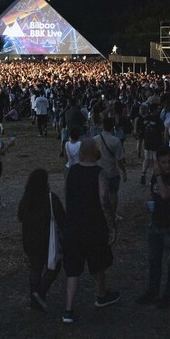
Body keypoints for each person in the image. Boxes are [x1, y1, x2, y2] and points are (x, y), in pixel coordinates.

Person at [61, 139, 120, 324]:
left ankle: (68, 309)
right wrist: (111, 226)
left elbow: (67, 196)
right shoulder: (99, 173)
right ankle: (101, 295)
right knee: (98, 263)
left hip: (73, 227)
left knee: (73, 270)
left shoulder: (71, 172)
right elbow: (104, 200)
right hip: (94, 226)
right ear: (96, 152)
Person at [136, 147, 170, 309]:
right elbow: (154, 193)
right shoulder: (155, 177)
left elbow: (165, 194)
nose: (166, 165)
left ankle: (168, 295)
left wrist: (158, 175)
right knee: (154, 260)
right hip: (156, 224)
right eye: (163, 162)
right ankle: (153, 291)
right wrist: (149, 201)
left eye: (169, 161)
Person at [18, 168, 66, 311]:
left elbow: (20, 217)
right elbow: (62, 219)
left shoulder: (26, 199)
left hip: (29, 240)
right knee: (54, 266)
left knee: (35, 268)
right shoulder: (51, 199)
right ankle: (40, 293)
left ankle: (34, 300)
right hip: (46, 239)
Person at [95, 116, 128, 216]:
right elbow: (119, 160)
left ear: (102, 126)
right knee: (113, 193)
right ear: (113, 126)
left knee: (101, 193)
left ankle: (101, 213)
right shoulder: (115, 141)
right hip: (112, 171)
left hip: (98, 171)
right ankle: (112, 214)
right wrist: (124, 171)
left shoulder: (95, 139)